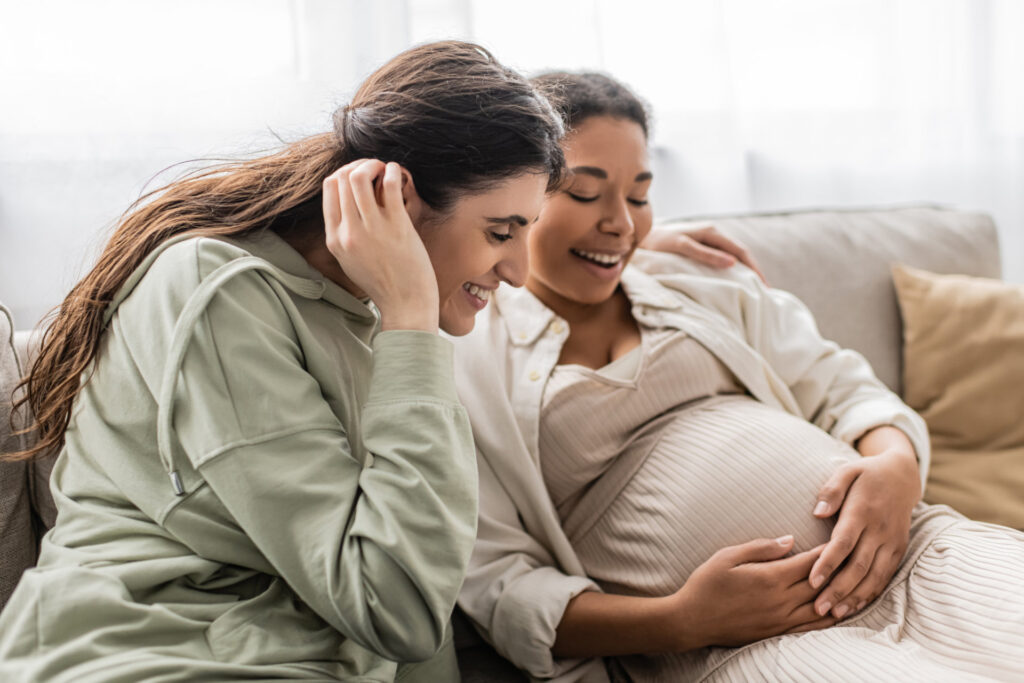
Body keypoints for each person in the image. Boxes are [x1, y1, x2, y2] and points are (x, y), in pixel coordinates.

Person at [0, 41, 571, 682]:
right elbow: (397, 607)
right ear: (400, 200)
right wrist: (411, 322)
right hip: (159, 658)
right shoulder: (219, 297)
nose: (520, 273)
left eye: (529, 233)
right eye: (500, 233)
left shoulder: (361, 311)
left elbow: (412, 617)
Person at [450, 72, 1024, 682]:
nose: (621, 223)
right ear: (521, 198)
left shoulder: (697, 281)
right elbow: (503, 589)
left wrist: (895, 468)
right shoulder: (468, 359)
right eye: (587, 194)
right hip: (747, 647)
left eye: (639, 197)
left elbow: (845, 388)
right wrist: (682, 620)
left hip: (917, 554)